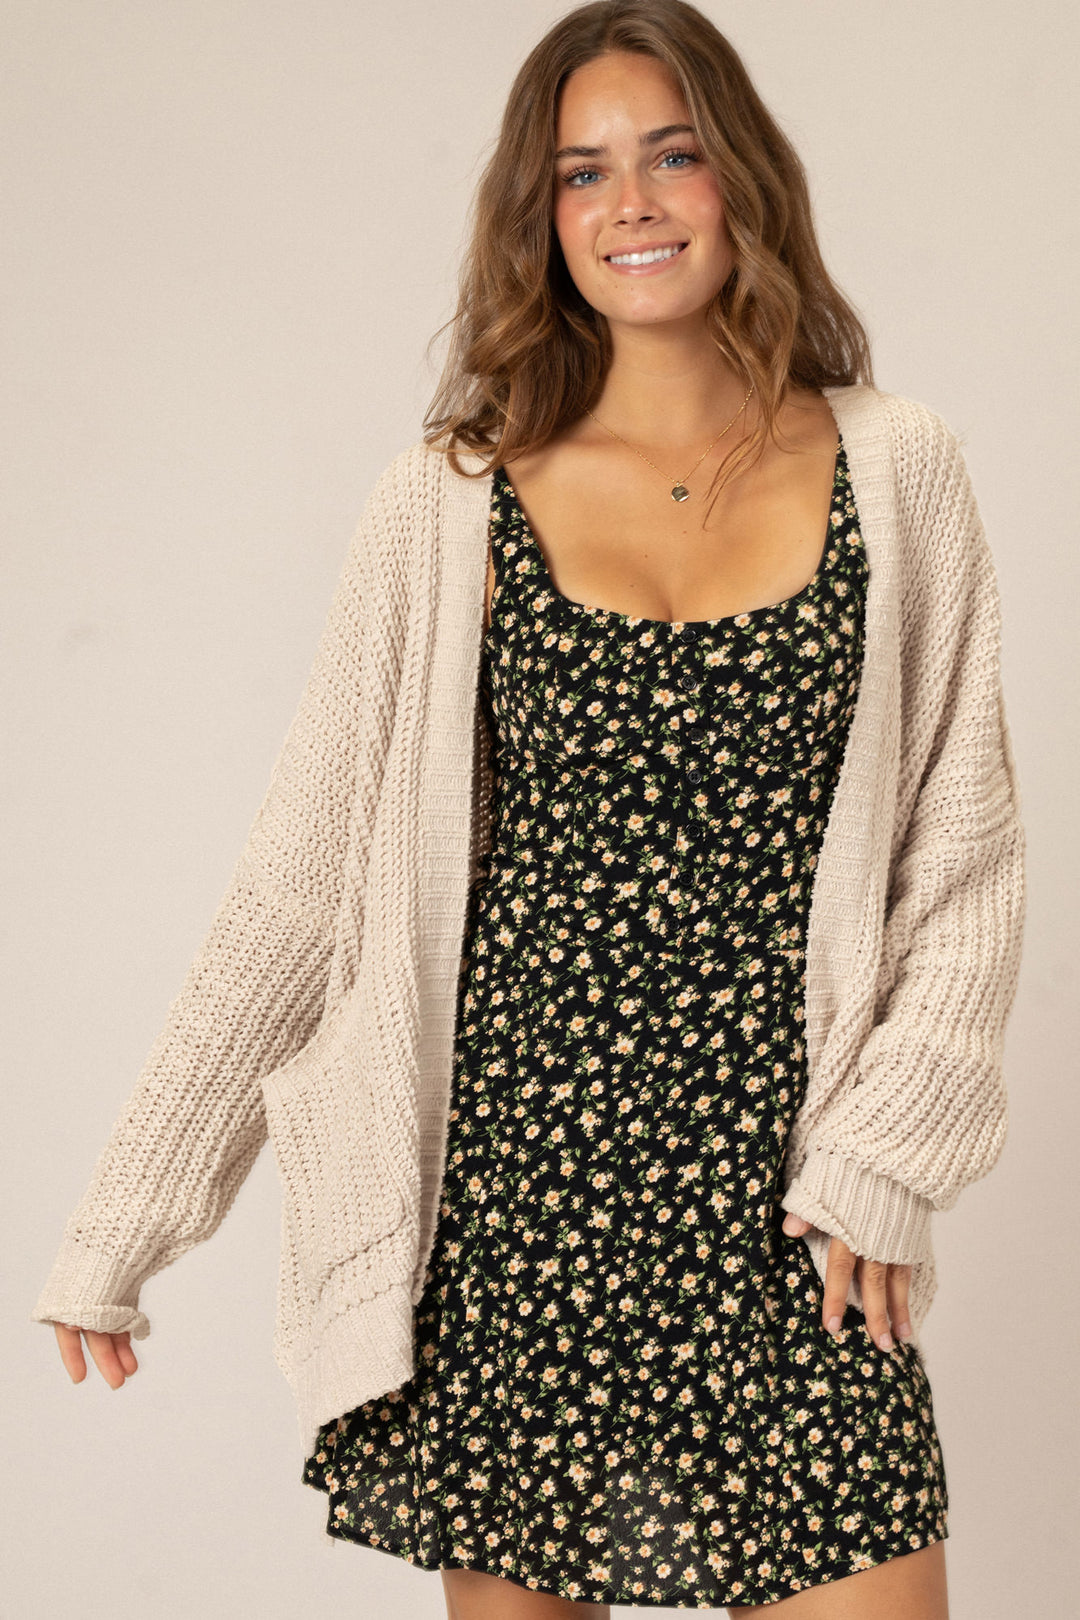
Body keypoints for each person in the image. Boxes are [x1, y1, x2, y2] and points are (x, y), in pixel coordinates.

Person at [32, 2, 1026, 1615]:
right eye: (582, 173)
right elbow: (303, 887)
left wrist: (887, 1155)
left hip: (794, 1215)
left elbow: (962, 864)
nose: (629, 203)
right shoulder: (451, 496)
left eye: (670, 154)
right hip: (514, 1217)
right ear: (540, 219)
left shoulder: (898, 472)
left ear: (741, 180)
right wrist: (126, 1222)